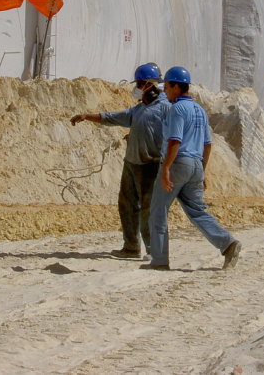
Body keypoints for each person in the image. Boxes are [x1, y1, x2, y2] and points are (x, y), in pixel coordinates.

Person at [142, 66, 242, 271]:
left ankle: (159, 261)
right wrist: (202, 171)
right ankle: (228, 244)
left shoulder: (177, 109)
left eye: (167, 87)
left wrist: (167, 168)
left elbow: (174, 141)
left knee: (158, 211)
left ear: (177, 87)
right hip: (196, 165)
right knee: (197, 211)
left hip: (178, 163)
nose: (165, 92)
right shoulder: (199, 110)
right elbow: (207, 144)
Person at [70, 63, 169, 258]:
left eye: (140, 84)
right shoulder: (140, 109)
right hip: (132, 164)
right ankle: (131, 247)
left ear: (150, 85)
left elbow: (172, 136)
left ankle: (154, 250)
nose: (137, 88)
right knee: (127, 205)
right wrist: (87, 116)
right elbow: (114, 117)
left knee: (148, 210)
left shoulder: (165, 108)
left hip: (151, 165)